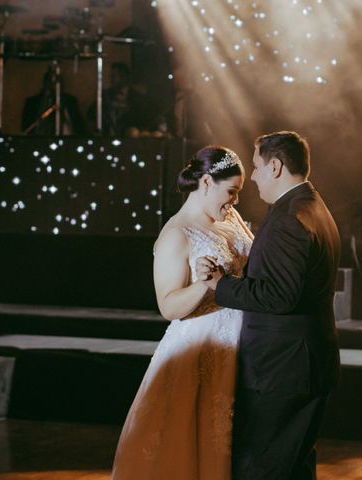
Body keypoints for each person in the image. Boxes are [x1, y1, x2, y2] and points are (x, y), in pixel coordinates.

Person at [198, 131, 341, 480]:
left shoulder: (289, 219)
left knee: (261, 469)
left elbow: (278, 296)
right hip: (305, 362)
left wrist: (222, 284)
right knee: (294, 467)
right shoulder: (313, 207)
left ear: (276, 166)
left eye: (257, 166)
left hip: (283, 369)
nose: (255, 175)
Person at [111, 146, 253, 479]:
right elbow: (168, 305)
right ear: (206, 182)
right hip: (201, 350)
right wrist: (204, 284)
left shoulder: (229, 218)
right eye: (231, 191)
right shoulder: (176, 235)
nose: (234, 200)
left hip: (240, 345)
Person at [89, 62, 152, 137]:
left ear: (125, 77)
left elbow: (145, 121)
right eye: (111, 76)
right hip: (106, 139)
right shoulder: (104, 95)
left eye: (115, 76)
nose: (112, 79)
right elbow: (90, 114)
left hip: (129, 141)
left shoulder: (138, 98)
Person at [21, 66, 85, 135]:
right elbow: (26, 127)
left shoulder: (70, 101)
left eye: (56, 83)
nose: (53, 86)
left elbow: (79, 127)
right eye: (50, 82)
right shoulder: (32, 103)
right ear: (45, 83)